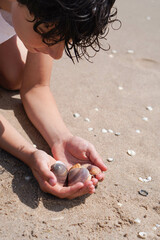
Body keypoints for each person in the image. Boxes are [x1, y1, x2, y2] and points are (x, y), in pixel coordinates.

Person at [0, 0, 117, 199]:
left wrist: (61, 138)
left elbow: (36, 86)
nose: (57, 54)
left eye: (66, 40)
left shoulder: (47, 12)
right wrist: (29, 154)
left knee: (15, 77)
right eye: (48, 34)